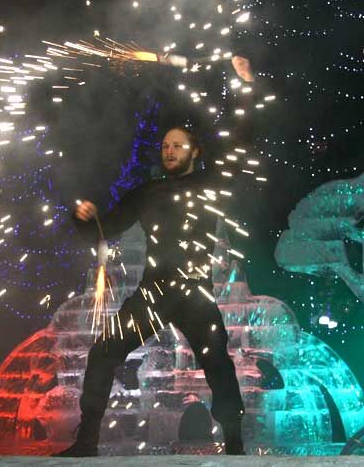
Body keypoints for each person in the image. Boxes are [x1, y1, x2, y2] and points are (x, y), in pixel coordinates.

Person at [57, 124, 245, 457]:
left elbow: (237, 155)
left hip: (194, 293)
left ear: (195, 151)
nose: (169, 151)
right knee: (103, 352)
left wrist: (241, 101)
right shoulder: (148, 192)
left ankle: (234, 444)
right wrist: (84, 218)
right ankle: (86, 440)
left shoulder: (210, 183)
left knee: (217, 360)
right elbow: (105, 229)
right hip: (154, 293)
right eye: (165, 146)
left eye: (178, 145)